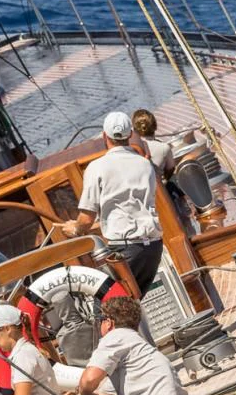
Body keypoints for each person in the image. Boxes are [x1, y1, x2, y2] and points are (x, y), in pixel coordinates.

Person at [52, 295, 199, 395]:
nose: (99, 324)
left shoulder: (115, 337)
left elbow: (88, 381)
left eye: (101, 319)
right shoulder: (135, 343)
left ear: (109, 322)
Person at [60, 110, 164, 295]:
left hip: (125, 249)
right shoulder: (145, 165)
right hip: (154, 247)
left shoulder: (96, 168)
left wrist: (74, 229)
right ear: (130, 134)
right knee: (131, 305)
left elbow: (85, 220)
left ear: (104, 136)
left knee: (106, 309)